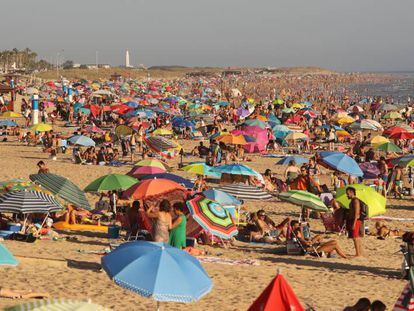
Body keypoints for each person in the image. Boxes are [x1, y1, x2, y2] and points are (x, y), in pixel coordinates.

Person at [346, 187, 363, 257]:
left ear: (352, 192)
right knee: (356, 237)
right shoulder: (353, 200)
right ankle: (359, 252)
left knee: (355, 237)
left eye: (348, 193)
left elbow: (356, 212)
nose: (347, 195)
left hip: (356, 220)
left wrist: (354, 223)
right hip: (354, 219)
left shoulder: (355, 201)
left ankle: (358, 253)